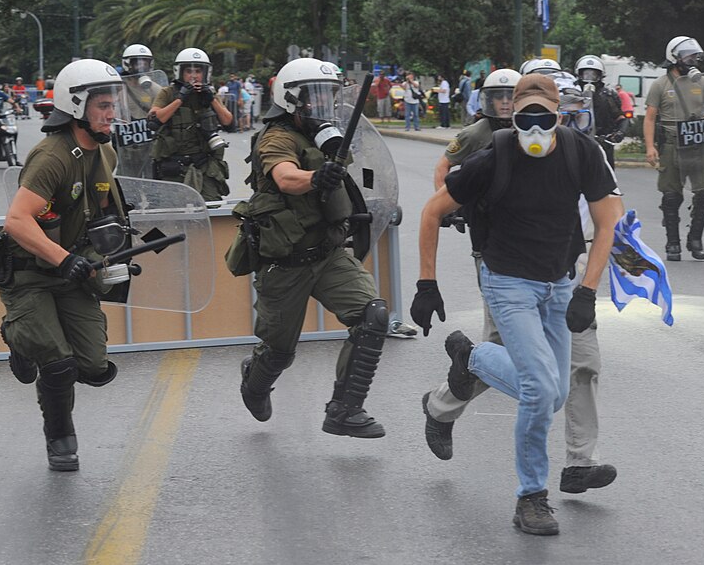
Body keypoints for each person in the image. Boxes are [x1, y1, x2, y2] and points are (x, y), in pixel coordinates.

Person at [410, 74, 622, 535]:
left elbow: (608, 222)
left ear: (558, 116)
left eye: (542, 118)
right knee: (539, 391)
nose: (533, 127)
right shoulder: (496, 154)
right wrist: (427, 282)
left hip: (560, 283)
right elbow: (432, 211)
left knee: (558, 391)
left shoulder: (581, 151)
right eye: (525, 117)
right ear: (513, 115)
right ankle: (531, 497)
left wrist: (587, 289)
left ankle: (473, 358)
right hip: (508, 283)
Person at [237, 57, 390, 438]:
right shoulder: (276, 138)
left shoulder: (323, 134)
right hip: (284, 263)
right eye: (315, 97)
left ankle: (344, 409)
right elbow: (285, 177)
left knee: (372, 317)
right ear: (291, 100)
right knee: (279, 352)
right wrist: (314, 176)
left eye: (330, 96)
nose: (324, 105)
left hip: (328, 253)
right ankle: (254, 383)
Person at [0, 59, 129, 471]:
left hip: (72, 270)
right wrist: (65, 258)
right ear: (76, 107)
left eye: (114, 104)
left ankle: (32, 343)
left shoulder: (105, 150)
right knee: (57, 363)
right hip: (29, 273)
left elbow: (102, 207)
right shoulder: (51, 157)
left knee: (93, 368)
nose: (111, 113)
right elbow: (16, 221)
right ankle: (60, 436)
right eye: (102, 105)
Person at [644, 35, 704, 262]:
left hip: (701, 145)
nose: (693, 60)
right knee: (671, 196)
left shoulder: (702, 83)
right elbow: (649, 118)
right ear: (674, 57)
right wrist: (650, 147)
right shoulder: (660, 85)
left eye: (695, 55)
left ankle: (694, 239)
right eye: (688, 55)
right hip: (671, 145)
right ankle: (672, 242)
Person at [149, 47, 233, 202]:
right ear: (180, 72)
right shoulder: (168, 92)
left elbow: (228, 121)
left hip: (204, 165)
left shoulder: (209, 93)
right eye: (189, 71)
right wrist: (180, 98)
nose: (194, 76)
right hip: (175, 166)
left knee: (212, 206)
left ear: (205, 73)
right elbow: (154, 119)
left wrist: (211, 99)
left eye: (198, 71)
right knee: (173, 210)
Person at [574, 55, 627, 169]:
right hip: (576, 144)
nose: (589, 77)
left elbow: (621, 118)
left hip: (603, 143)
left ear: (600, 75)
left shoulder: (608, 96)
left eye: (593, 74)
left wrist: (619, 133)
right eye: (585, 74)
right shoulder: (572, 95)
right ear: (579, 74)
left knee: (606, 178)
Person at [121, 44, 159, 119]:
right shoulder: (118, 87)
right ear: (127, 64)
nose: (142, 67)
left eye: (145, 64)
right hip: (126, 128)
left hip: (148, 128)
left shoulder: (154, 88)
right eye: (138, 64)